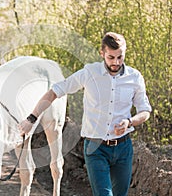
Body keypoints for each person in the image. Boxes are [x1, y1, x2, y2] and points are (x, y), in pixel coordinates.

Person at [18, 32, 152, 196]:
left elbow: (145, 111)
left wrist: (129, 122)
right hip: (96, 149)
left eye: (120, 57)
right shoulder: (89, 73)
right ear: (102, 53)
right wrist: (31, 118)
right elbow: (54, 92)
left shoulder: (135, 77)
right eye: (111, 57)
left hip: (124, 148)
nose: (116, 62)